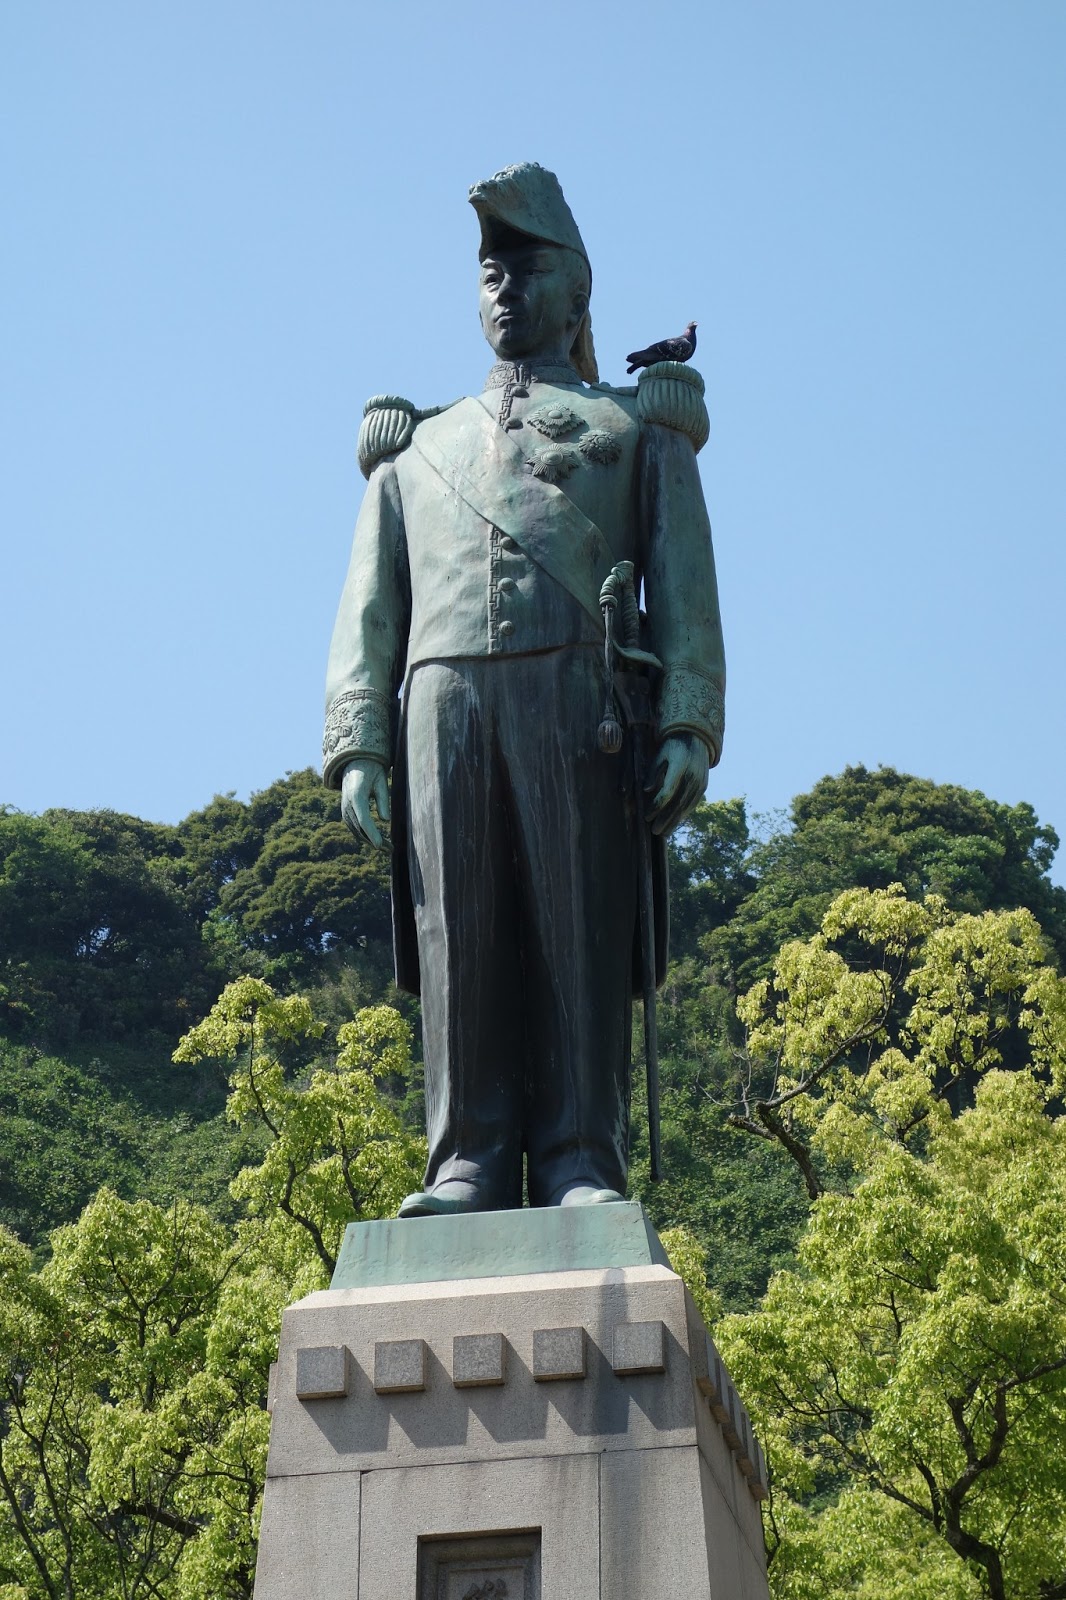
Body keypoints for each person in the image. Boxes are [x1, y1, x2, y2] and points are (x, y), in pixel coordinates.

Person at [323, 162, 725, 1215]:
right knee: (462, 928)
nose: (504, 287)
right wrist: (358, 737)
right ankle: (465, 1155)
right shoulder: (417, 452)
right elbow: (371, 602)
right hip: (440, 697)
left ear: (577, 292)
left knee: (575, 925)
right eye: (490, 270)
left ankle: (579, 1154)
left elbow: (683, 583)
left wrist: (687, 716)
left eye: (527, 266)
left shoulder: (636, 429)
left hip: (580, 691)